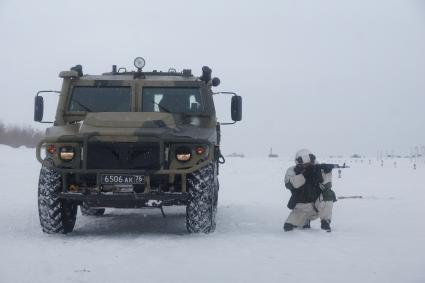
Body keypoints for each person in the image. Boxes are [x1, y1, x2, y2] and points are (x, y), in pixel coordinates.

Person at [283, 149, 337, 232]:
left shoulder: (318, 168)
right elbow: (289, 185)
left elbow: (327, 187)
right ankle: (305, 221)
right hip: (301, 207)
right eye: (305, 165)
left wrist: (327, 173)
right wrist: (304, 175)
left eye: (309, 164)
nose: (308, 166)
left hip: (317, 207)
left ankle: (325, 223)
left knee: (329, 194)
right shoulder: (292, 170)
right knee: (288, 228)